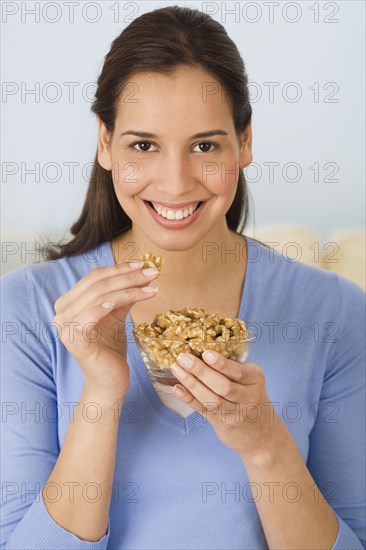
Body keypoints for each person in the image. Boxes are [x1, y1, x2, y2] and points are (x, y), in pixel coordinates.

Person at [1, 6, 365, 550]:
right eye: (143, 145)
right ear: (105, 143)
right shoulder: (26, 309)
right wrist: (100, 393)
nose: (174, 184)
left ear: (244, 143)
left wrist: (266, 444)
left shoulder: (334, 312)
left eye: (205, 146)